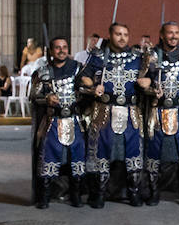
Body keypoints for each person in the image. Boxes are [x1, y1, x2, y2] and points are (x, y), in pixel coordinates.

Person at [79, 22, 150, 208]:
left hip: (131, 112)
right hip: (104, 112)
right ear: (110, 35)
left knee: (134, 153)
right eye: (118, 34)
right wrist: (92, 86)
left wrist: (147, 81)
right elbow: (84, 75)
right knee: (101, 153)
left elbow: (154, 74)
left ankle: (134, 193)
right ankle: (99, 194)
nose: (122, 37)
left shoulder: (138, 57)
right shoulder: (98, 56)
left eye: (125, 34)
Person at [141, 22, 179, 206]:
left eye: (176, 33)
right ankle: (154, 192)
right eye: (170, 33)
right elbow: (142, 80)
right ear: (162, 35)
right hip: (158, 111)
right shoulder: (152, 55)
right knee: (155, 154)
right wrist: (150, 90)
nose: (173, 36)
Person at [31, 37, 87, 208]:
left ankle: (76, 195)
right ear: (51, 50)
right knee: (48, 158)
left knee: (77, 159)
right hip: (52, 121)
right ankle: (44, 197)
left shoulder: (78, 68)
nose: (61, 50)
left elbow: (86, 89)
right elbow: (33, 95)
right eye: (57, 48)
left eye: (64, 47)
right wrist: (46, 98)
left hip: (74, 119)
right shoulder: (42, 72)